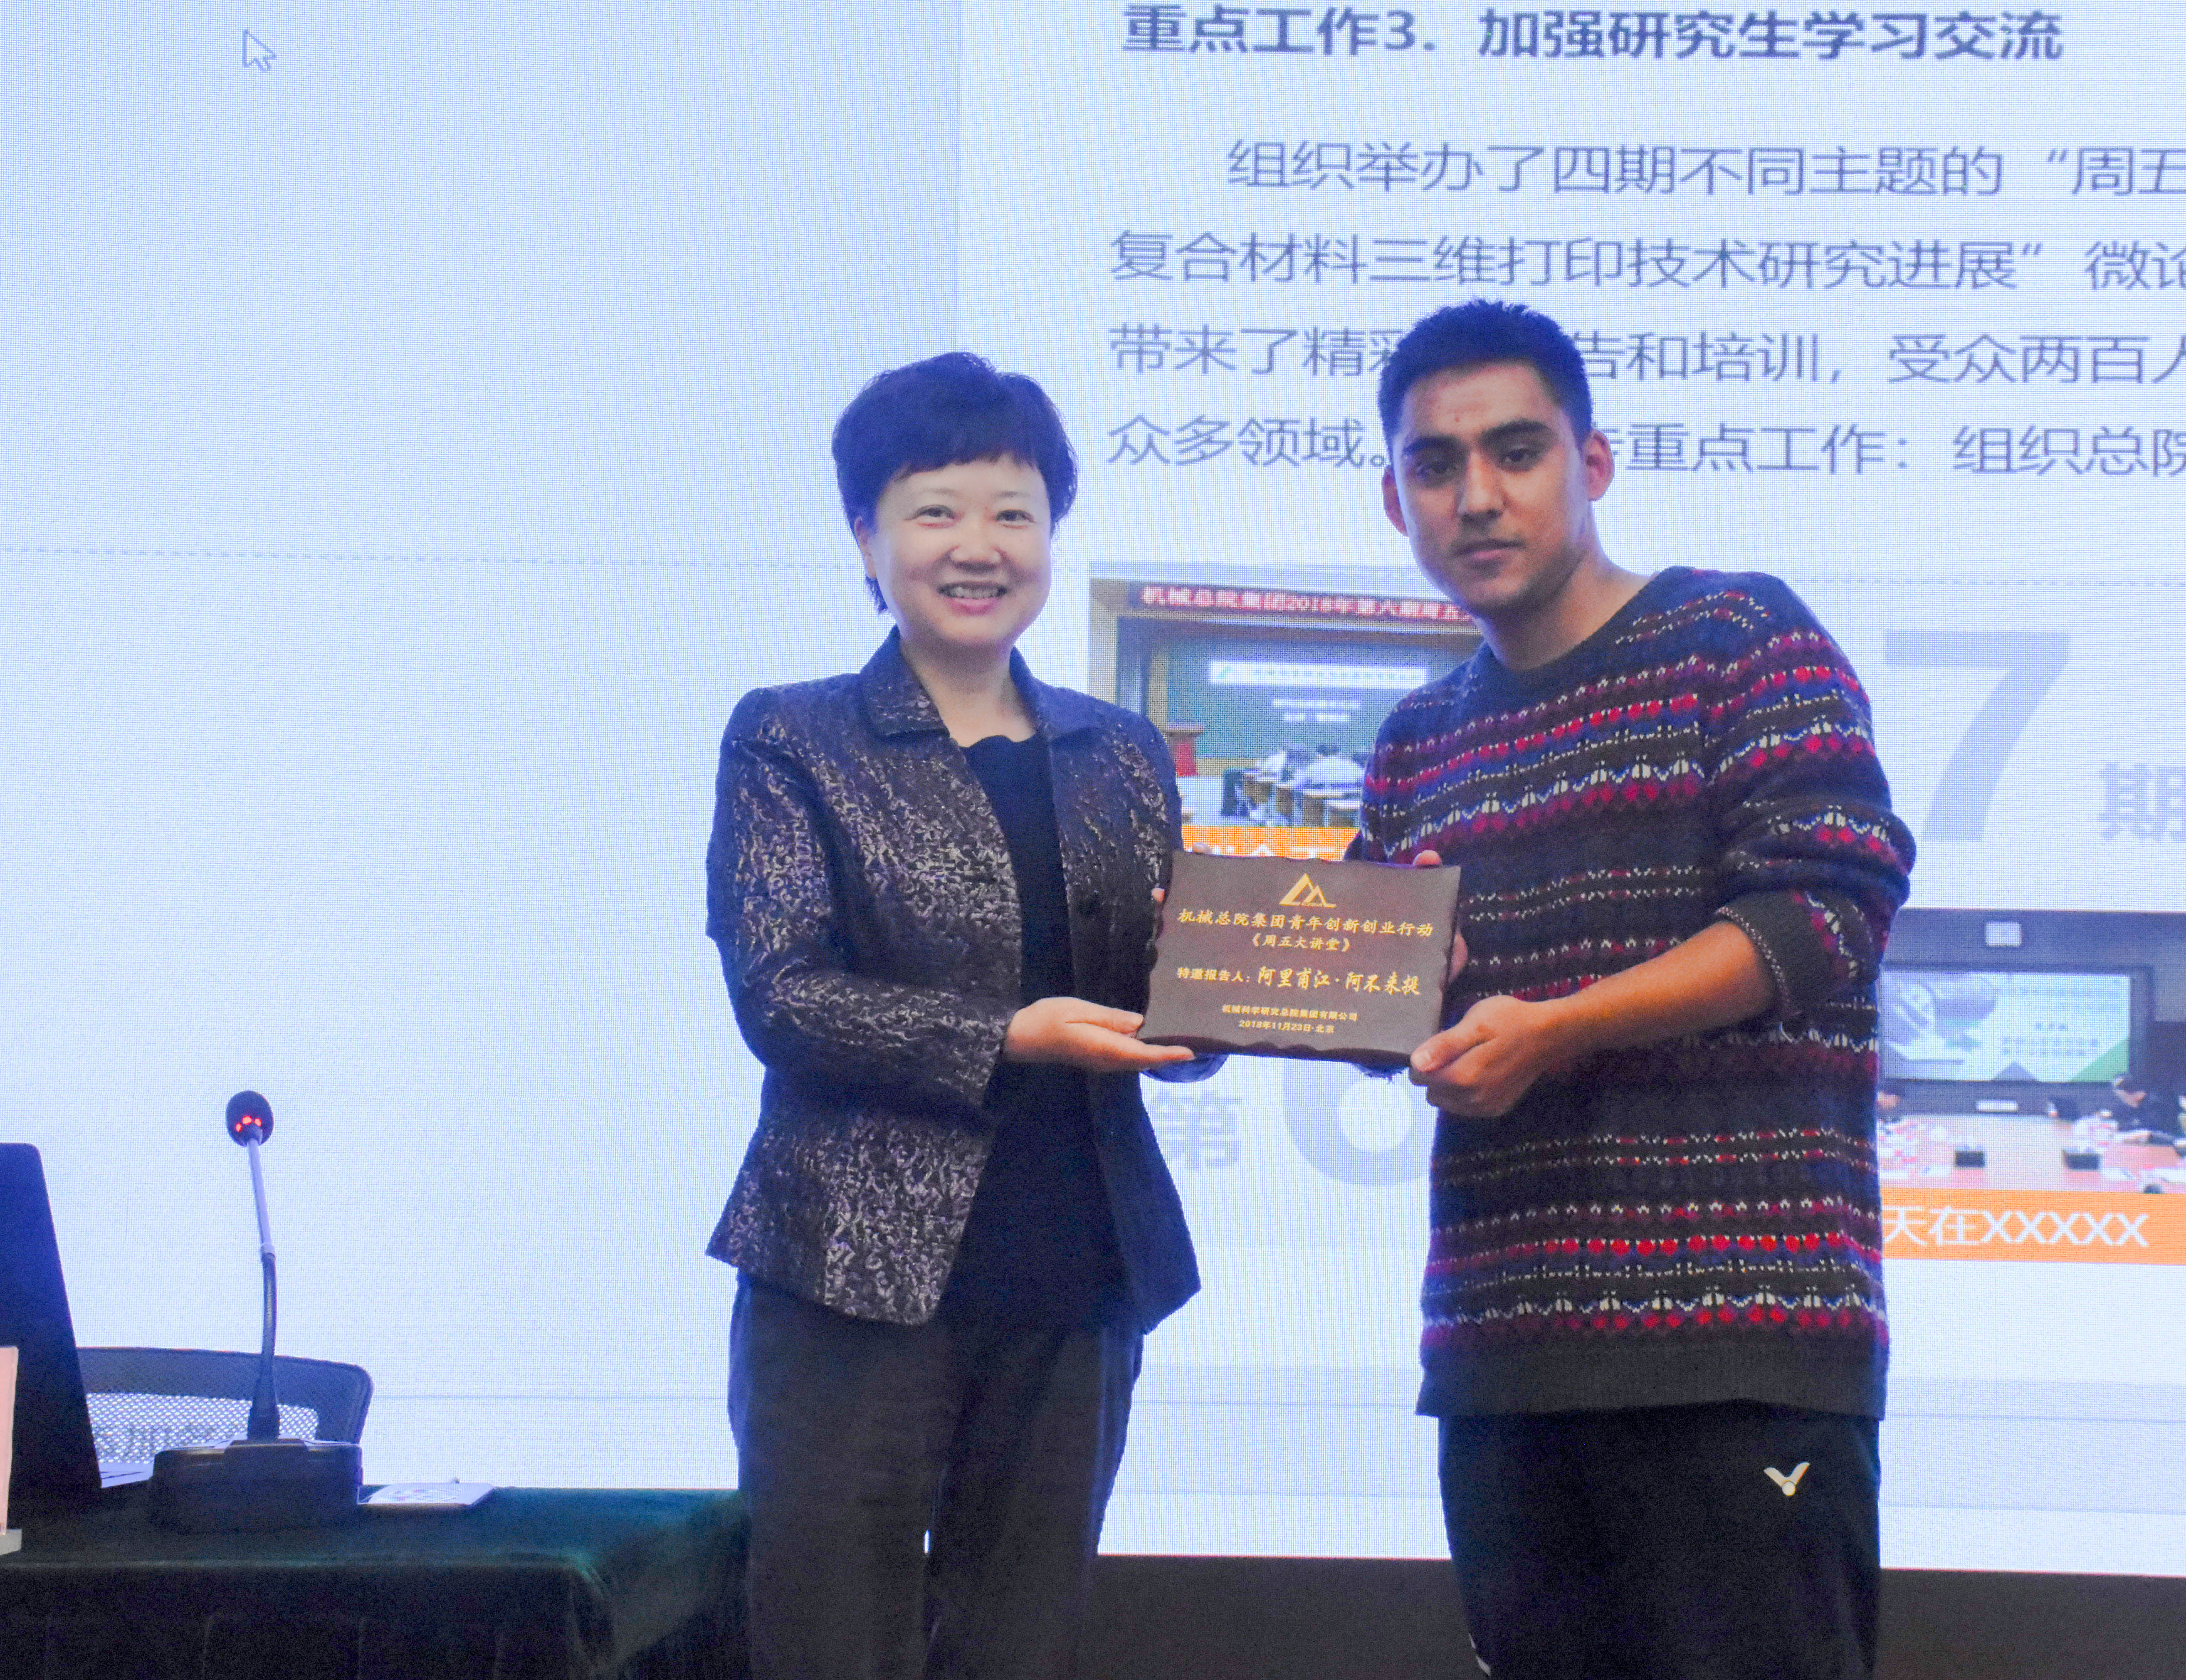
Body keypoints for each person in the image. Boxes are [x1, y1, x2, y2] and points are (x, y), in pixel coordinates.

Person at [1351, 299, 1915, 1680]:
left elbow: (1826, 913)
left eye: (1517, 451)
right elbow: (1370, 1012)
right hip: (1505, 1356)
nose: (1477, 497)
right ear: (1395, 499)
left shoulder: (1737, 635)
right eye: (1436, 465)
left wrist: (1556, 1030)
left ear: (1592, 462)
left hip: (1739, 1342)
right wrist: (1359, 988)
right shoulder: (1419, 739)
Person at [704, 352, 1212, 1680]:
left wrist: (1232, 991)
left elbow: (1172, 1012)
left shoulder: (1120, 750)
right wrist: (1006, 1036)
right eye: (935, 510)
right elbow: (781, 995)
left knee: (1021, 1647)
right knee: (830, 1644)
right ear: (865, 537)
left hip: (1078, 1265)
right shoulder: (792, 738)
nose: (978, 545)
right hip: (849, 1270)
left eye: (1014, 512)